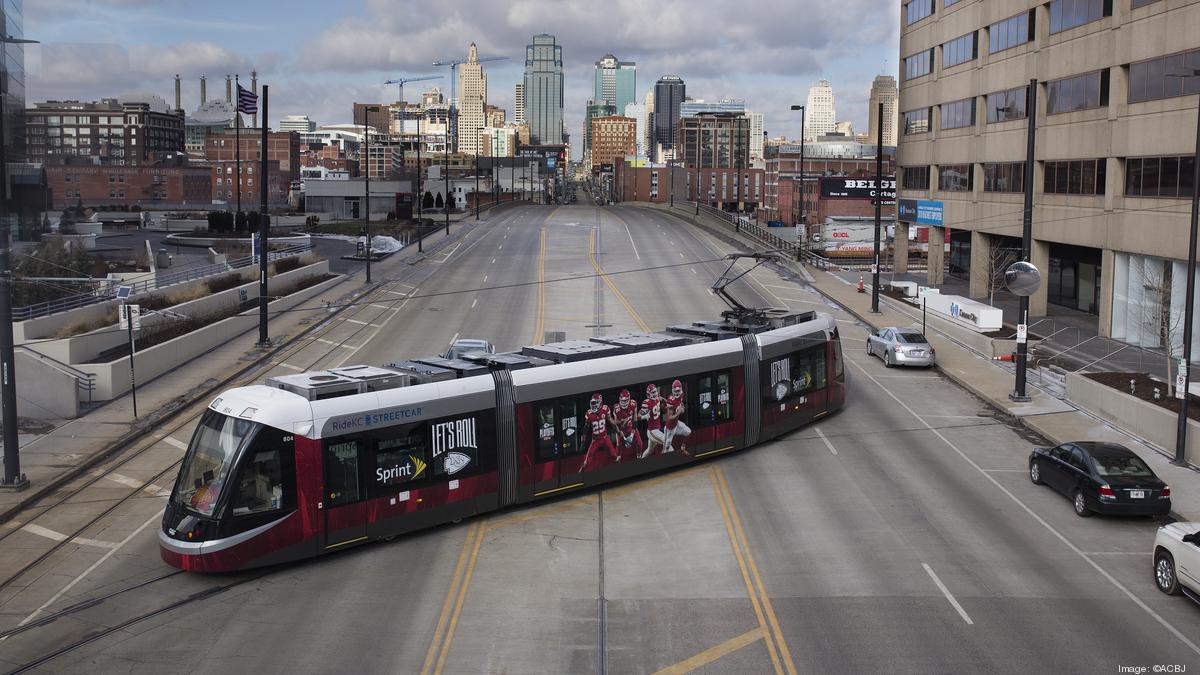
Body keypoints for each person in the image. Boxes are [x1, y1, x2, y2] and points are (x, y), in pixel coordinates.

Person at [581, 393, 618, 471]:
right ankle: (579, 474)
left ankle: (620, 470)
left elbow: (612, 422)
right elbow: (585, 429)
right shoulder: (589, 413)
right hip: (595, 440)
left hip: (605, 438)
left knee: (614, 455)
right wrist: (583, 442)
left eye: (595, 403)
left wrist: (618, 432)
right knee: (586, 462)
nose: (593, 405)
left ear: (600, 402)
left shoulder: (605, 409)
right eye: (592, 403)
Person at [609, 388, 643, 462]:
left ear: (629, 399)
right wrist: (623, 437)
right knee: (618, 446)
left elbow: (635, 420)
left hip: (630, 426)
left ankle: (639, 457)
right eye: (622, 400)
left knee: (639, 443)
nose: (624, 402)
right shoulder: (616, 409)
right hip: (621, 429)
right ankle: (618, 461)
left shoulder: (633, 404)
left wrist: (632, 435)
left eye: (625, 400)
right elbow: (616, 425)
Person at [664, 379, 691, 456]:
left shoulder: (682, 395)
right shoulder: (670, 401)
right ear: (672, 391)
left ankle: (682, 448)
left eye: (678, 391)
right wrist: (679, 412)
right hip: (669, 428)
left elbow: (680, 403)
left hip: (676, 424)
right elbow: (670, 418)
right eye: (675, 391)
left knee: (688, 432)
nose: (677, 393)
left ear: (681, 390)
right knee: (666, 448)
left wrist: (682, 407)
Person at [639, 383, 665, 458]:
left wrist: (669, 403)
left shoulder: (658, 398)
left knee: (650, 450)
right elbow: (637, 416)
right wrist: (644, 416)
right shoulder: (647, 403)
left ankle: (641, 460)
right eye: (653, 392)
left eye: (655, 391)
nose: (655, 394)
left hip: (657, 429)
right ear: (648, 394)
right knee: (666, 442)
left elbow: (662, 399)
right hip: (652, 431)